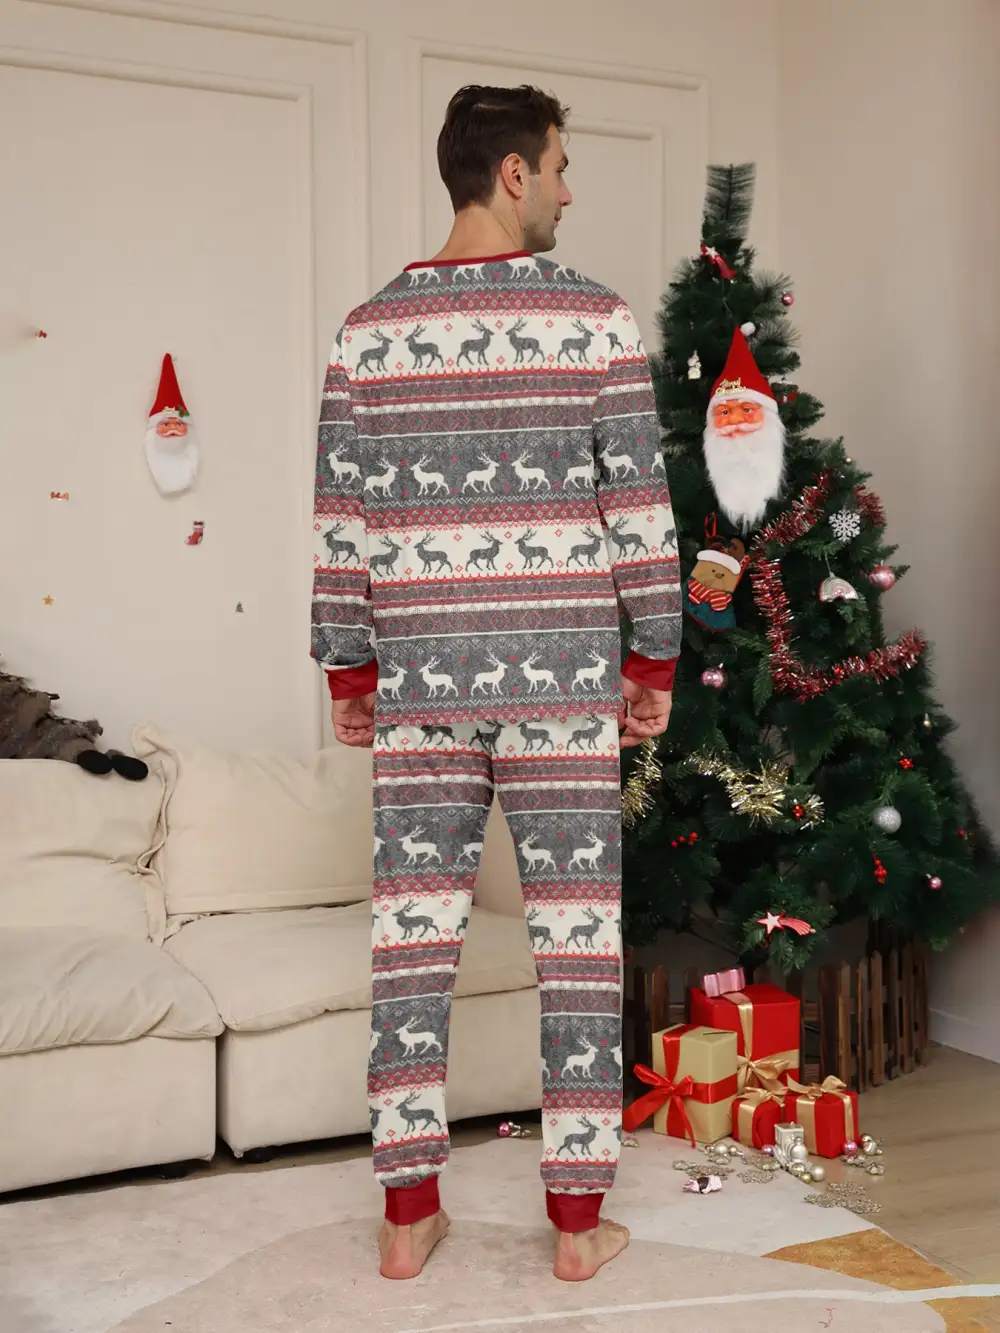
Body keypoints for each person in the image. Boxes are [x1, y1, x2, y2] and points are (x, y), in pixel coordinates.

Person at [310, 84, 680, 1283]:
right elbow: (639, 507)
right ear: (512, 172)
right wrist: (653, 655)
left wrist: (350, 665)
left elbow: (341, 520)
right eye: (560, 165)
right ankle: (575, 1228)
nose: (570, 188)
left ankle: (406, 1215)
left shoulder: (367, 333)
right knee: (579, 946)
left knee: (410, 943)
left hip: (420, 679)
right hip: (564, 679)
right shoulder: (596, 321)